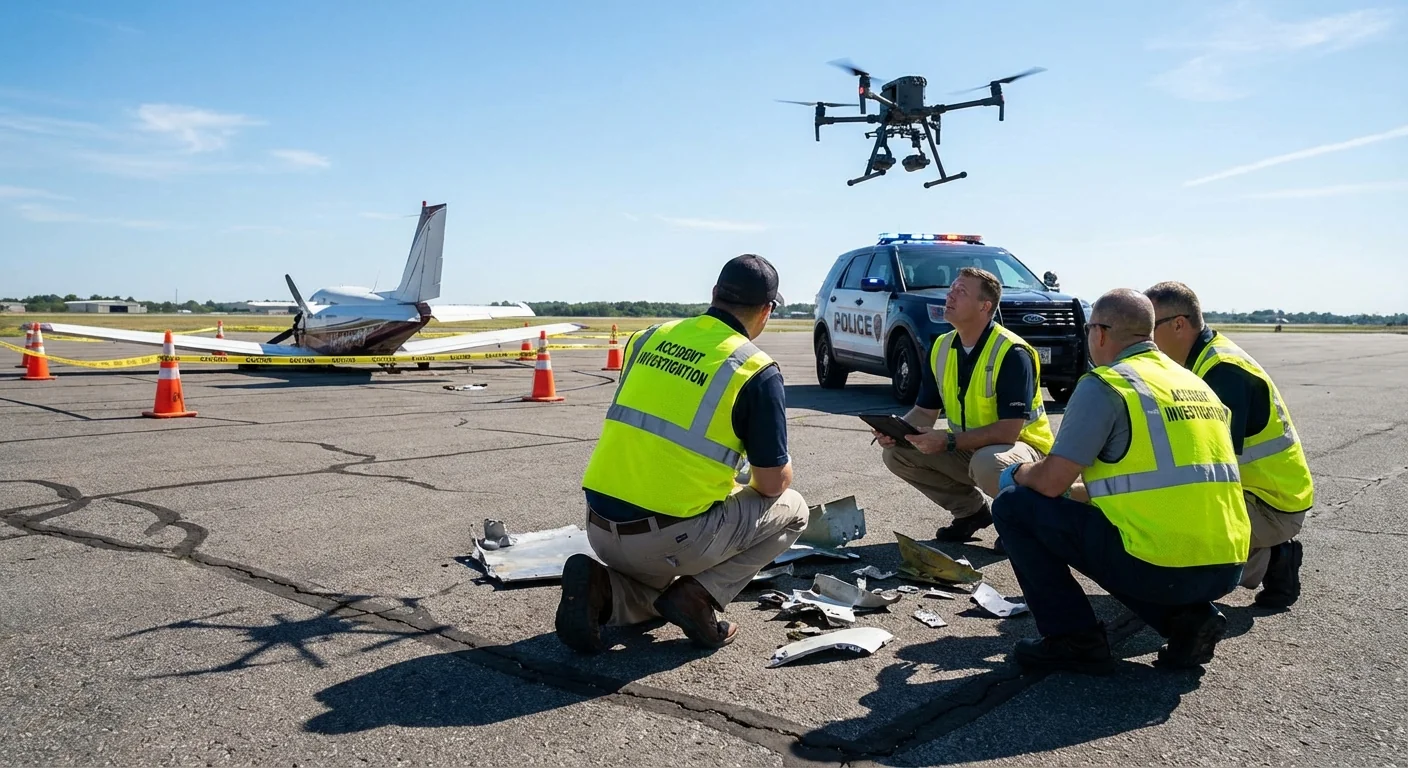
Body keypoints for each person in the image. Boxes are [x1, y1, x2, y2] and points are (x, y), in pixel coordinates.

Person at [556, 254, 808, 654]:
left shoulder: (648, 338)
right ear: (767, 310)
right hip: (669, 539)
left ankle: (602, 588)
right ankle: (702, 596)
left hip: (600, 529)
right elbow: (771, 482)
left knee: (655, 586)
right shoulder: (755, 369)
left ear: (714, 295)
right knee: (793, 508)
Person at [990, 288, 1250, 674]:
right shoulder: (1194, 383)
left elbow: (1050, 483)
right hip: (1227, 564)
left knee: (1014, 507)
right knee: (1123, 537)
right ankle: (1186, 621)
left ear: (1099, 333)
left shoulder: (1107, 384)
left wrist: (1017, 473)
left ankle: (1073, 639)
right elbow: (1144, 484)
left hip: (1164, 565)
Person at [1146, 281, 1314, 608]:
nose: (1144, 337)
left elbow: (1211, 469)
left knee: (1174, 521)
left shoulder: (1223, 372)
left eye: (1149, 327)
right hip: (1261, 493)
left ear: (1179, 324)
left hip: (1271, 504)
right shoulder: (1200, 362)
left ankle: (1271, 556)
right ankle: (1266, 553)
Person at [873, 266, 1055, 548]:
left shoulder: (1012, 352)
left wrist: (947, 440)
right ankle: (971, 513)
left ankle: (1025, 524)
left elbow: (1008, 431)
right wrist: (896, 431)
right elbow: (924, 411)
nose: (950, 296)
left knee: (988, 462)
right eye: (951, 289)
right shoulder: (942, 347)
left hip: (1025, 451)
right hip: (972, 446)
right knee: (897, 453)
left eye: (961, 291)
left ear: (985, 306)